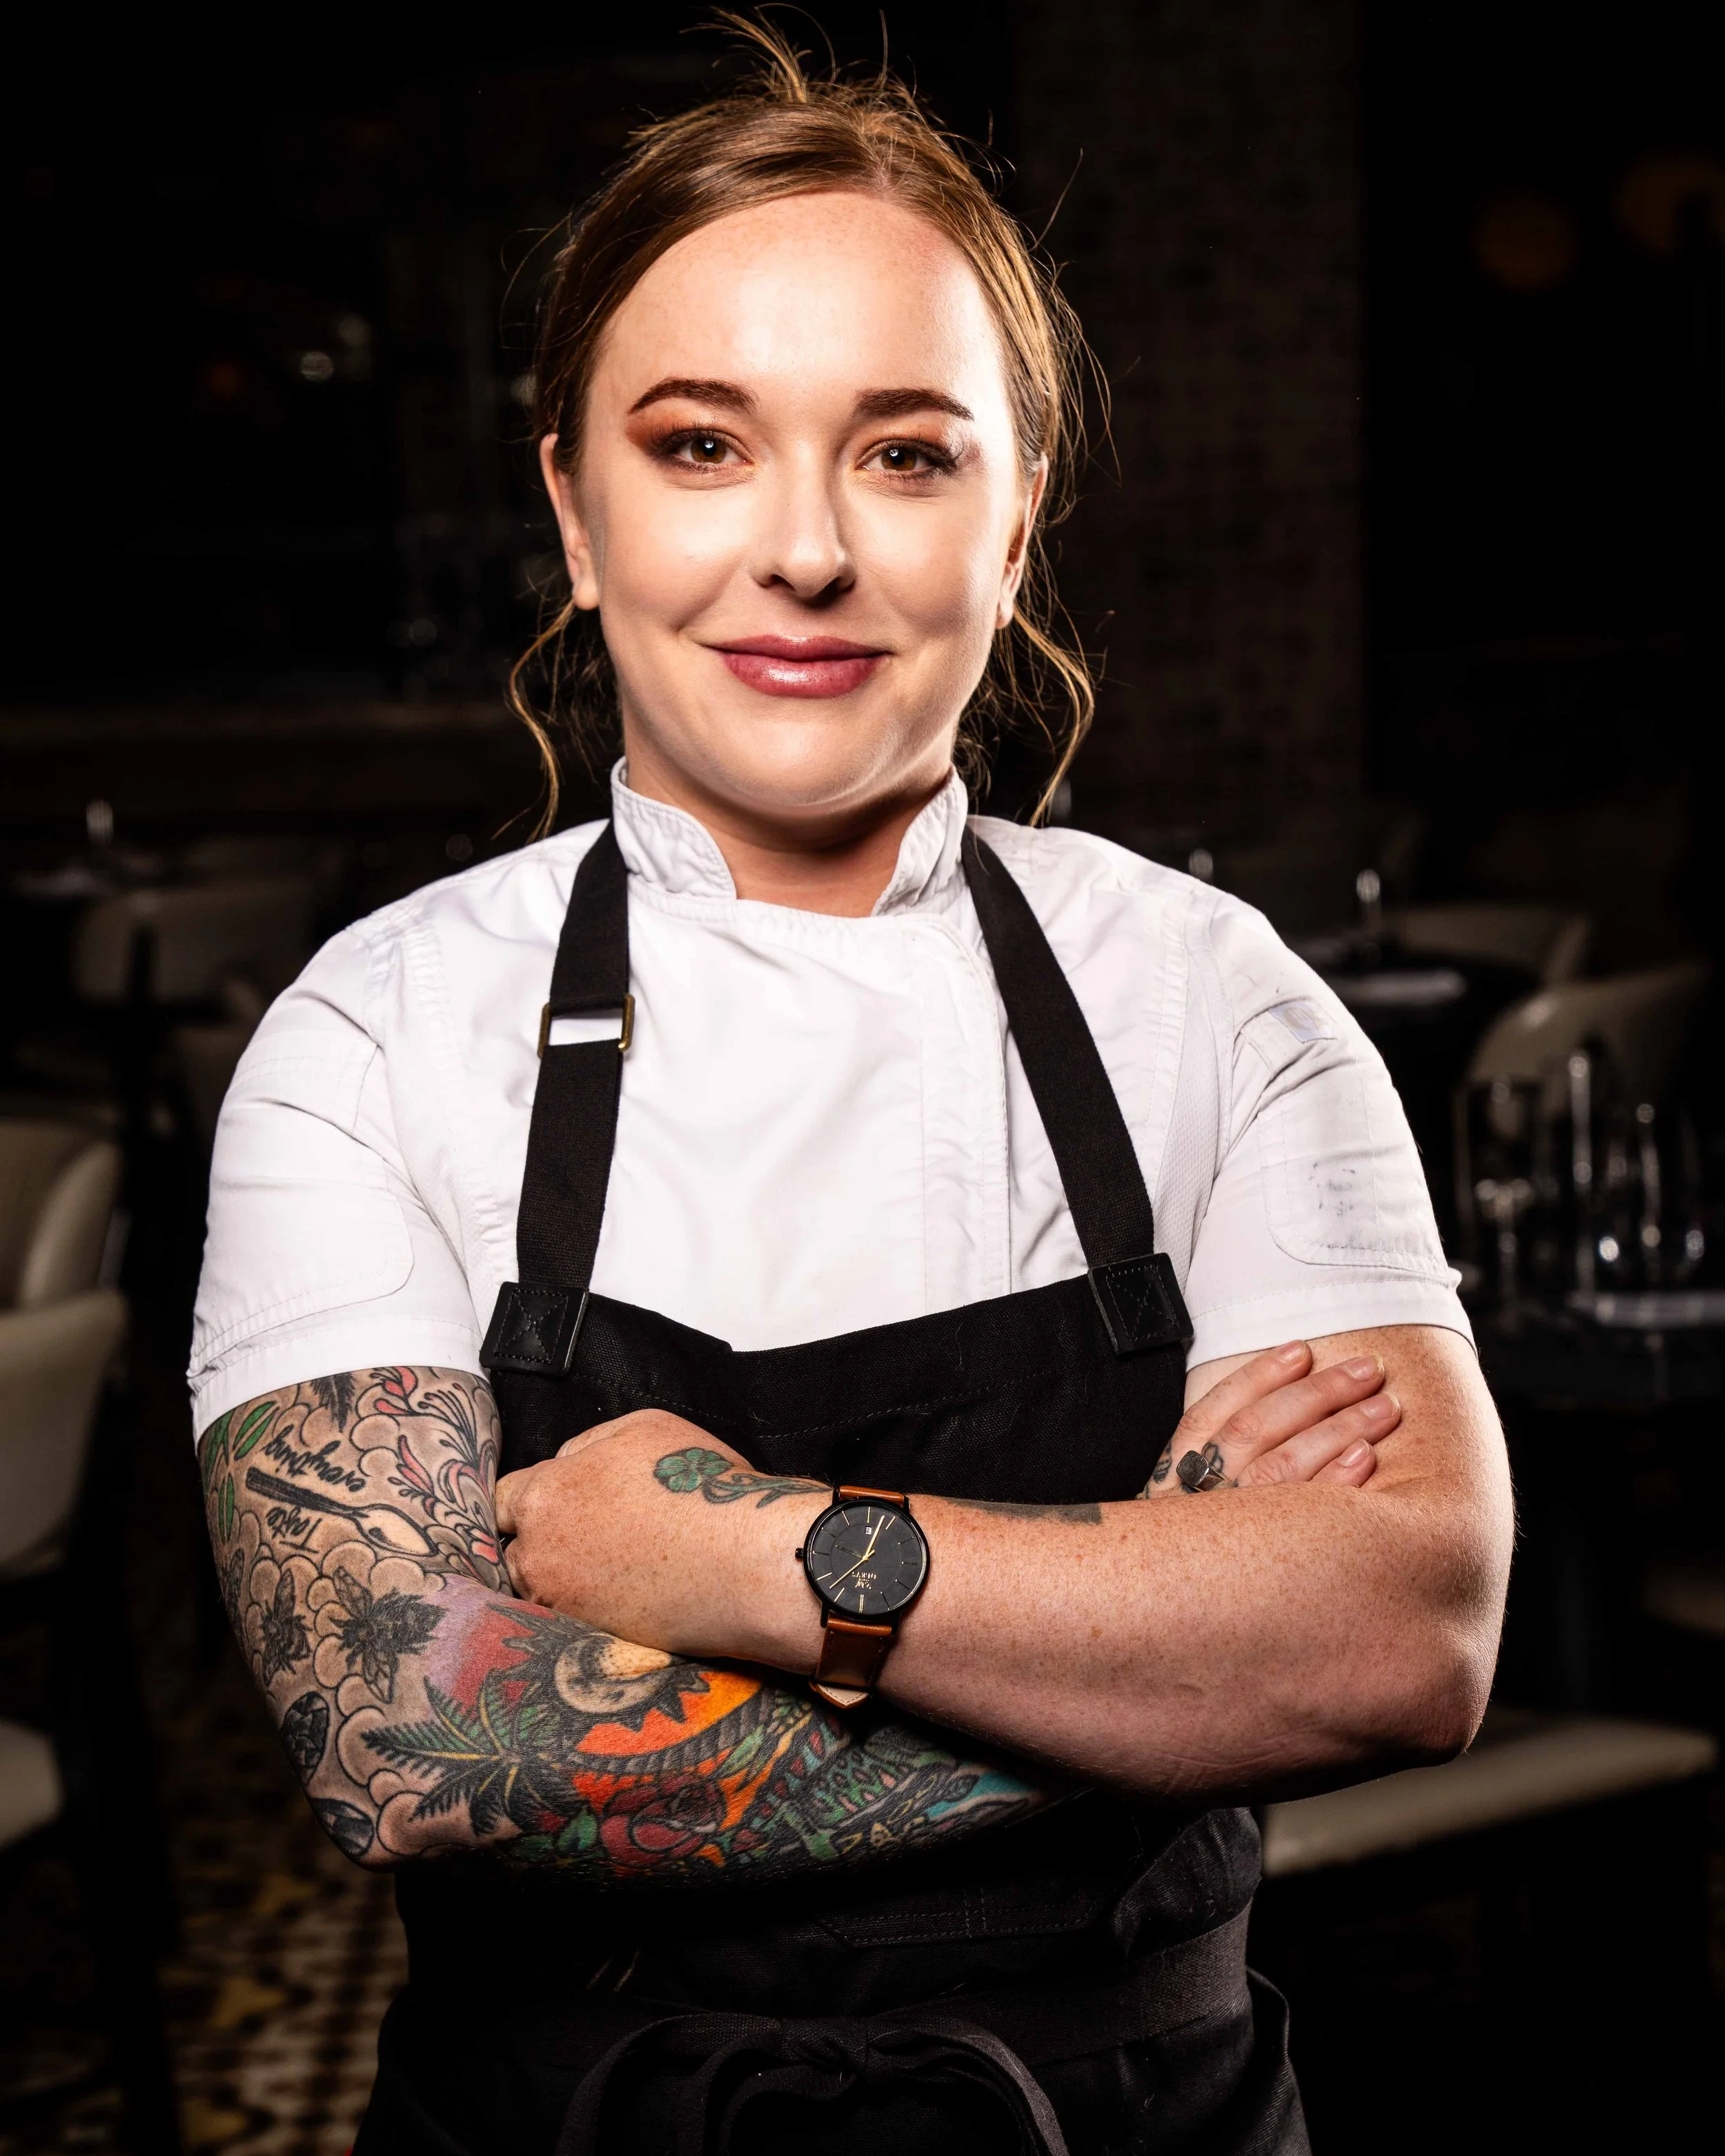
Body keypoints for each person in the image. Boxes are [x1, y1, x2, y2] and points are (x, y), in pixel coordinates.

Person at [190, 30, 1512, 2155]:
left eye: (904, 454)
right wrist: (1177, 1647)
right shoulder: (371, 1035)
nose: (802, 552)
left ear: (1018, 515)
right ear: (573, 505)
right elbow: (414, 1737)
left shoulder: (1217, 1002)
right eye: (701, 443)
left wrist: (762, 1560)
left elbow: (1409, 1627)